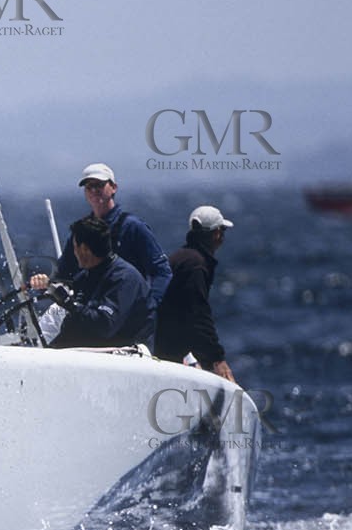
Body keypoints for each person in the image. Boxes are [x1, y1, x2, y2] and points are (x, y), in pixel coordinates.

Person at [33, 163, 172, 310]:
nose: (93, 190)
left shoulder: (132, 227)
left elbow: (161, 271)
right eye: (88, 187)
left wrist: (149, 306)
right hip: (94, 315)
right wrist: (44, 283)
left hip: (127, 314)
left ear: (113, 187)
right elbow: (65, 273)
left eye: (98, 185)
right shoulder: (81, 231)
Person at [155, 205, 236, 382]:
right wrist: (217, 359)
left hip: (162, 342)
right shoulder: (196, 264)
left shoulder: (182, 257)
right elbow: (198, 314)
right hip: (174, 350)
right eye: (222, 231)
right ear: (216, 234)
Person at [46, 216, 154, 349]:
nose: (73, 253)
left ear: (84, 249)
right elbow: (77, 321)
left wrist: (69, 303)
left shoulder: (124, 279)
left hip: (127, 354)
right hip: (95, 351)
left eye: (74, 247)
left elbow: (105, 326)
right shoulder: (86, 277)